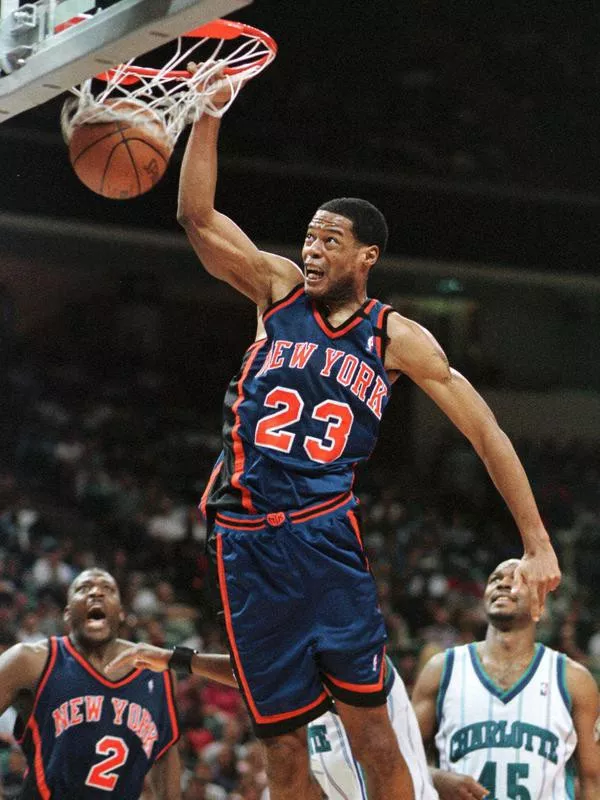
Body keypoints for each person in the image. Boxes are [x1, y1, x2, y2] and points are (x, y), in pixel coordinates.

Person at [176, 75, 560, 800]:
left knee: (374, 734)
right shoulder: (275, 291)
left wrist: (536, 540)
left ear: (366, 257)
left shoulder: (396, 338)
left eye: (331, 240)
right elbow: (197, 217)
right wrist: (209, 115)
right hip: (244, 544)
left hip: (324, 539)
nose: (313, 249)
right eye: (310, 236)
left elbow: (487, 432)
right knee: (283, 751)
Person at [106, 643, 438, 799]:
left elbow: (267, 676)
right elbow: (264, 677)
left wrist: (178, 660)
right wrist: (175, 660)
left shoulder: (364, 665)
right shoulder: (305, 709)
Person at [411, 558, 600, 799]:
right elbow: (400, 758)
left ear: (539, 602)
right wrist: (436, 779)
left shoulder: (574, 679)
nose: (503, 584)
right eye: (495, 579)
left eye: (518, 580)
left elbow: (593, 782)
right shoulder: (442, 669)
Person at [0, 568, 181, 798]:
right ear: (67, 613)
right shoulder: (29, 660)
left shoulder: (158, 673)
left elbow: (166, 759)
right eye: (83, 589)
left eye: (108, 589)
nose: (96, 593)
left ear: (122, 612)